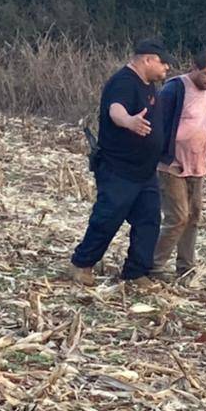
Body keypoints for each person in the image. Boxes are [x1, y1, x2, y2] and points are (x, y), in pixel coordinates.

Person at [68, 38, 170, 287]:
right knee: (107, 218)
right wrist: (129, 122)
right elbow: (116, 110)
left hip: (145, 172)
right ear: (147, 59)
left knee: (149, 221)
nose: (166, 69)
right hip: (119, 169)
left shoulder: (148, 86)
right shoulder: (123, 82)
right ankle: (82, 264)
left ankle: (136, 272)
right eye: (163, 63)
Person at [153, 49, 206, 279]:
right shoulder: (174, 90)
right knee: (178, 217)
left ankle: (185, 266)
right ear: (194, 68)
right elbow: (158, 124)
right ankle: (155, 265)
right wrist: (163, 155)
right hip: (172, 164)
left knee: (193, 215)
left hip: (197, 163)